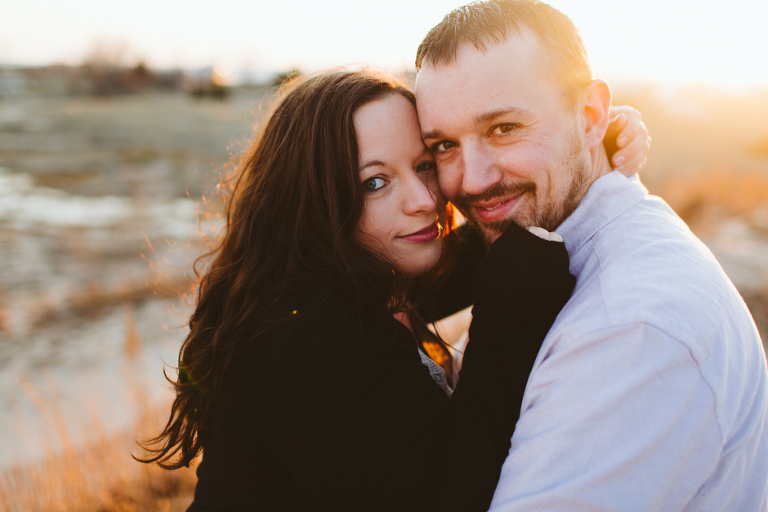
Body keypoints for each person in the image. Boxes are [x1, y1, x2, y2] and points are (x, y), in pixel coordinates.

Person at [137, 69, 648, 511]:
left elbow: (485, 249)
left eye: (425, 166)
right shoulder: (303, 335)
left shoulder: (370, 280)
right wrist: (503, 323)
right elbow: (445, 499)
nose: (425, 200)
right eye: (375, 182)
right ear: (317, 202)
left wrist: (580, 147)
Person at [414, 1, 768, 510]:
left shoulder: (631, 328)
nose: (471, 179)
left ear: (590, 116)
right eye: (444, 145)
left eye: (504, 128)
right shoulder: (543, 252)